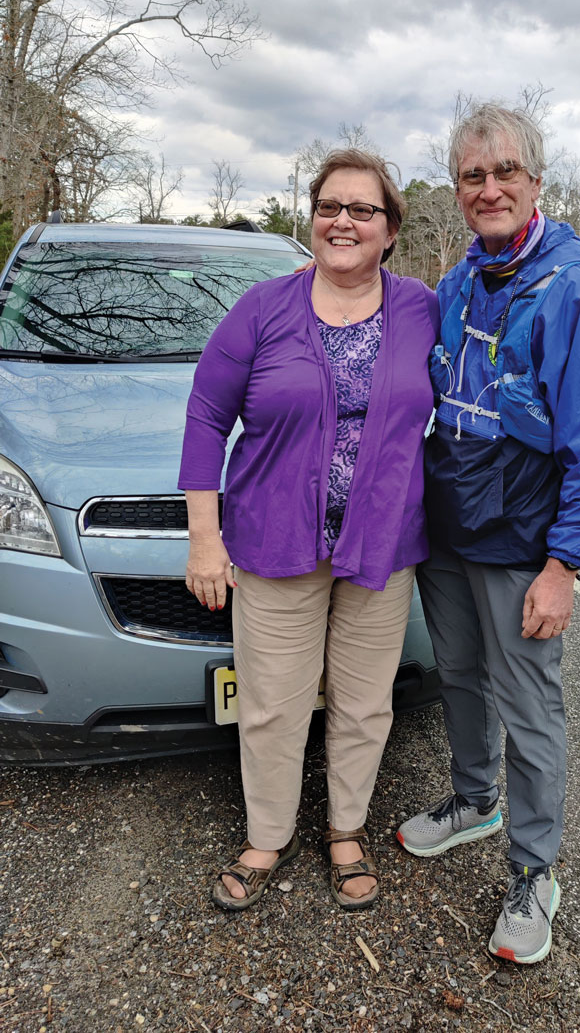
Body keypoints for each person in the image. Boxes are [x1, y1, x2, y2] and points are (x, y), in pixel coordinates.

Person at [397, 105, 580, 962]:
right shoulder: (457, 282)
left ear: (536, 182)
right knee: (459, 674)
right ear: (457, 190)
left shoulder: (574, 291)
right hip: (450, 528)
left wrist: (565, 563)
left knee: (531, 707)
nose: (488, 189)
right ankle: (473, 800)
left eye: (504, 173)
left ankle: (534, 868)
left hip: (524, 539)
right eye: (471, 175)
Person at [179, 149, 438, 912]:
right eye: (330, 206)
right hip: (273, 542)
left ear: (390, 230)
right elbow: (205, 415)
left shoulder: (422, 306)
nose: (344, 221)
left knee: (364, 702)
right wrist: (205, 535)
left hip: (381, 546)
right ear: (311, 218)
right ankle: (268, 834)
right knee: (271, 701)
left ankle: (347, 830)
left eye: (364, 210)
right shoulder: (264, 307)